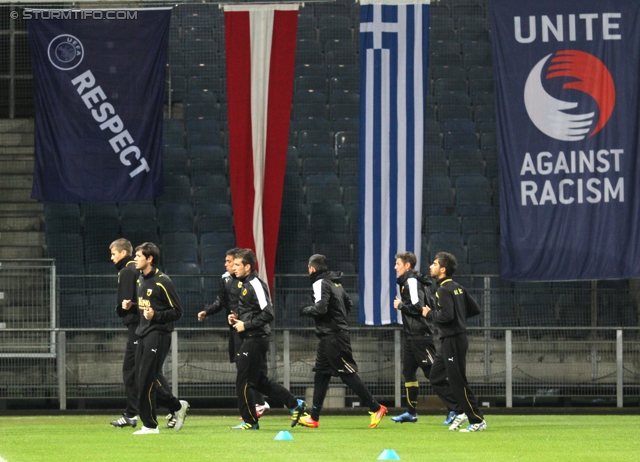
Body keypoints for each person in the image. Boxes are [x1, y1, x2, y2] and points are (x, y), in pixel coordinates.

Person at [297, 254, 388, 429]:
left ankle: (376, 407)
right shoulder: (335, 283)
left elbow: (321, 308)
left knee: (347, 373)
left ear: (311, 268)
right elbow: (349, 304)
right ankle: (314, 417)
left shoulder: (319, 283)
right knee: (321, 375)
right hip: (329, 336)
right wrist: (337, 317)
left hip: (333, 337)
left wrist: (305, 310)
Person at [228, 248, 306, 430]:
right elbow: (254, 311)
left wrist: (245, 325)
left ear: (248, 267)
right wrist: (236, 317)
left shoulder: (255, 284)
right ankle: (295, 404)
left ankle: (250, 421)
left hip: (255, 339)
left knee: (244, 381)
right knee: (260, 381)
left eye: (238, 265)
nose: (234, 267)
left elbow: (268, 313)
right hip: (252, 337)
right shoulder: (245, 284)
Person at [122, 242, 190, 435]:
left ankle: (150, 425)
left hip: (158, 334)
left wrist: (156, 317)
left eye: (138, 256)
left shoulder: (163, 281)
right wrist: (132, 305)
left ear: (149, 258)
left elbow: (177, 312)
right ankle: (176, 406)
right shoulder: (140, 279)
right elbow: (147, 305)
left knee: (146, 380)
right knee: (140, 379)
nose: (135, 259)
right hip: (142, 332)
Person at [197, 247, 270, 417]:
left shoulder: (251, 282)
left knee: (249, 372)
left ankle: (258, 405)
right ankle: (256, 407)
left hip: (251, 330)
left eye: (231, 262)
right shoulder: (226, 280)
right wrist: (207, 311)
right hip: (237, 328)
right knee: (244, 370)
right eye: (230, 262)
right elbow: (222, 301)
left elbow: (265, 310)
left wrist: (246, 322)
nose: (227, 265)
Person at [424, 252, 486, 432]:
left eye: (434, 264)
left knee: (458, 381)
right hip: (450, 341)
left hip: (453, 341)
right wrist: (460, 318)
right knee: (435, 377)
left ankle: (477, 419)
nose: (431, 266)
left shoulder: (443, 289)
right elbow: (474, 309)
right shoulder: (457, 287)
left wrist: (429, 313)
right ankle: (461, 410)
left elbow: (446, 316)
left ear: (442, 269)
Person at [390, 251, 443, 424]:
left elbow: (418, 307)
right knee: (408, 372)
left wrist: (401, 306)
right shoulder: (409, 281)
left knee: (433, 373)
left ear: (407, 266)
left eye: (398, 264)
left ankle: (456, 409)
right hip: (411, 336)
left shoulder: (411, 281)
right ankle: (411, 412)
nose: (395, 267)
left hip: (420, 335)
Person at [109, 238, 140, 429]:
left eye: (113, 254)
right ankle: (132, 413)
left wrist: (122, 311)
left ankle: (174, 406)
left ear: (123, 252)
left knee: (133, 371)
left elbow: (125, 301)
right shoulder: (134, 269)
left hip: (136, 325)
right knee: (140, 371)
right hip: (140, 324)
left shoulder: (127, 271)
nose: (111, 258)